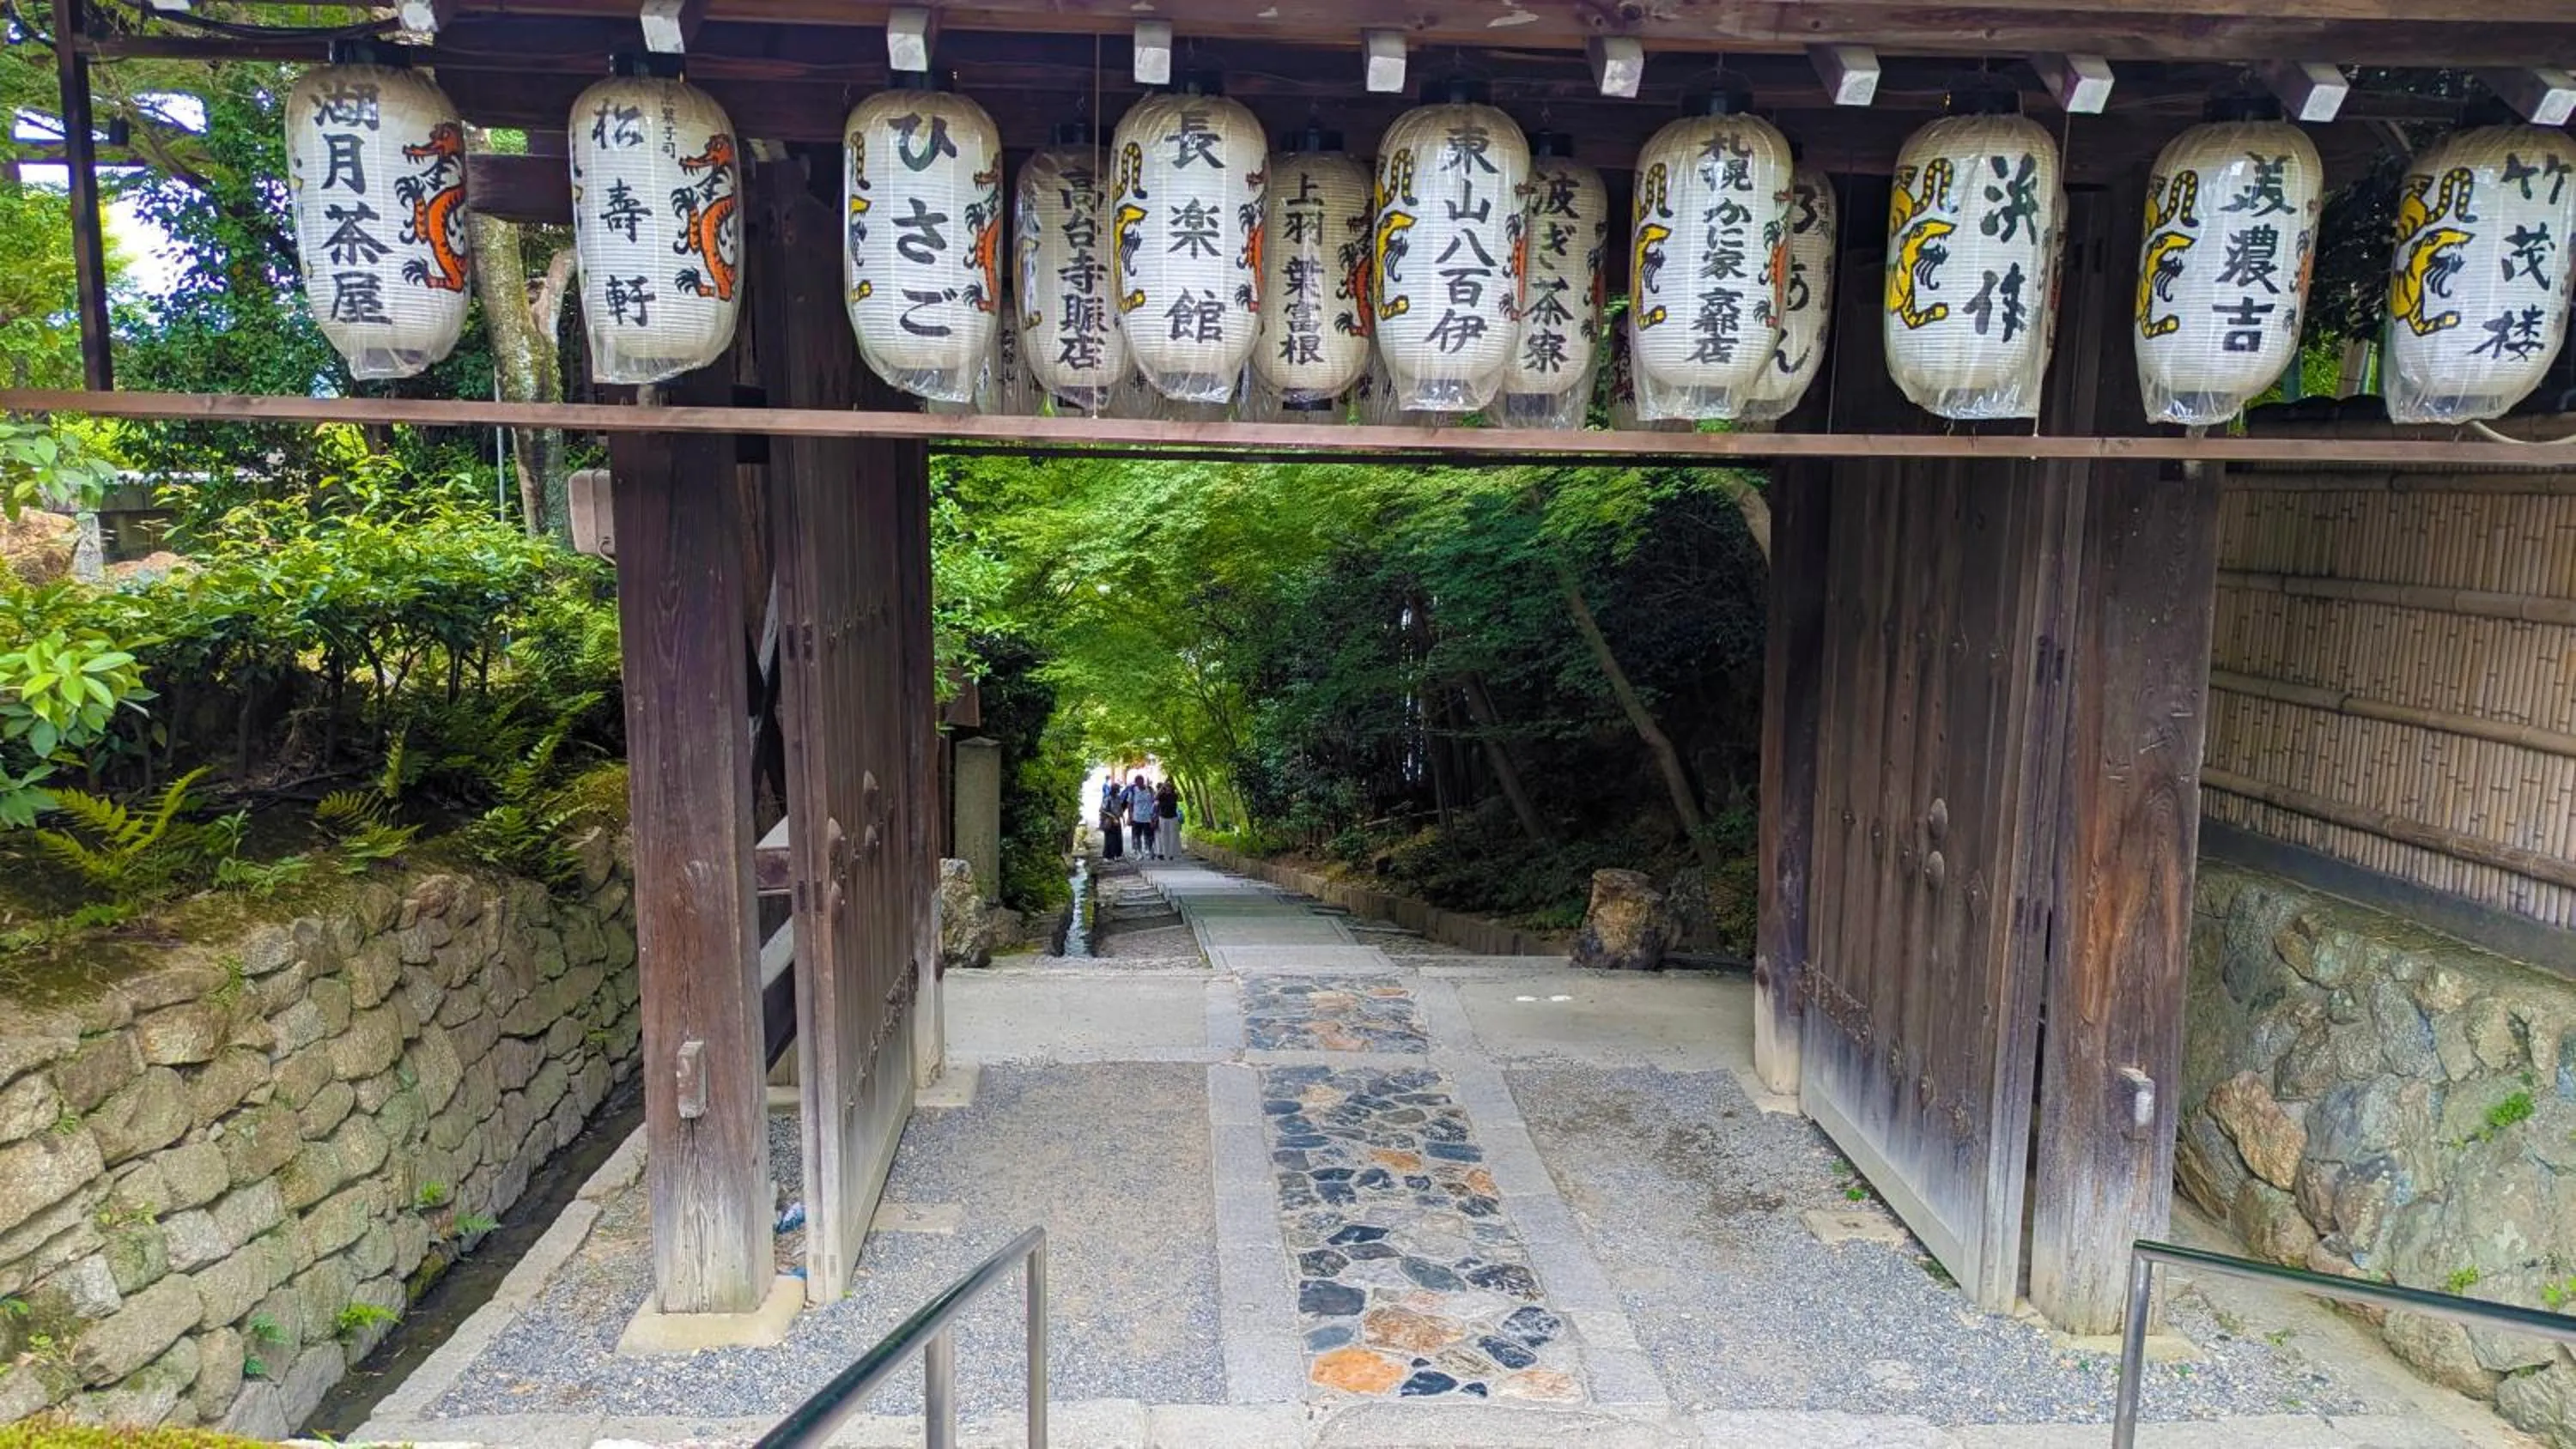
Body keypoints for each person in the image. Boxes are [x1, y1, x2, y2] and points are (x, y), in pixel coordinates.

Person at [1125, 774, 1158, 858]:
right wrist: (1130, 816)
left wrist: (1154, 815)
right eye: (1137, 782)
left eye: (1141, 782)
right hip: (1137, 817)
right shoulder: (1133, 791)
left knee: (1149, 835)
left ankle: (1149, 850)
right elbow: (1130, 803)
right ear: (1135, 783)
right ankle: (1139, 852)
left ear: (1143, 781)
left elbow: (1154, 802)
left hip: (1148, 817)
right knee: (1137, 835)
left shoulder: (1150, 790)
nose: (1139, 784)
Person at [1155, 779, 1182, 858]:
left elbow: (1181, 798)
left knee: (1173, 836)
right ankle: (1164, 852)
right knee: (1164, 835)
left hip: (1173, 817)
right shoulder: (1162, 795)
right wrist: (1163, 785)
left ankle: (1172, 853)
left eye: (1169, 786)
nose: (1168, 787)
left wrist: (1176, 786)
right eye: (1167, 786)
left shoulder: (1174, 795)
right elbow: (1155, 796)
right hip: (1163, 817)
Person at [1098, 775, 1124, 859]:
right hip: (1109, 821)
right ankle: (1109, 855)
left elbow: (1120, 808)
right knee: (1110, 839)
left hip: (1117, 820)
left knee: (1118, 838)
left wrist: (1122, 816)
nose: (1119, 790)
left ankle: (1117, 854)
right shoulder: (1107, 798)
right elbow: (1102, 810)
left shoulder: (1118, 798)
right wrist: (1112, 817)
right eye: (1118, 789)